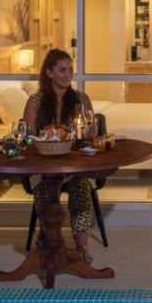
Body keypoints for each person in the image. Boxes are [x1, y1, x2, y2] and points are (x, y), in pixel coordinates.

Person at [23, 48, 97, 264]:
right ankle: (49, 240)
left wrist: (90, 131)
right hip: (44, 167)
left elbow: (91, 135)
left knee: (81, 187)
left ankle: (81, 248)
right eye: (62, 70)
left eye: (70, 70)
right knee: (44, 189)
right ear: (49, 72)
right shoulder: (35, 102)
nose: (68, 74)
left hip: (74, 167)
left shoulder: (81, 99)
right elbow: (28, 139)